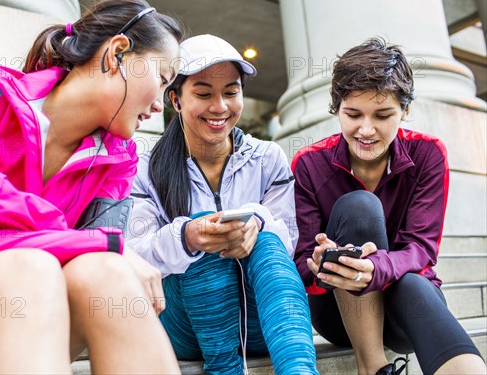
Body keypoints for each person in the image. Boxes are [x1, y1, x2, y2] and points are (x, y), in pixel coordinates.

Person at [0, 0, 183, 374]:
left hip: (27, 321)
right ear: (117, 53)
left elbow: (99, 257)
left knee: (105, 273)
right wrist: (97, 243)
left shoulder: (119, 159)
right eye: (161, 79)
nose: (161, 103)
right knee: (31, 268)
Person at [292, 37, 487, 375]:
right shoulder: (310, 164)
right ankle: (374, 368)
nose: (366, 130)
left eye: (383, 115)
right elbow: (301, 263)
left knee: (412, 282)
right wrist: (322, 264)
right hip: (338, 311)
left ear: (405, 111)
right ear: (337, 108)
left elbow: (422, 249)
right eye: (353, 114)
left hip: (404, 310)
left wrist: (377, 269)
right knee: (359, 207)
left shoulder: (428, 154)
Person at [126, 34, 318, 374]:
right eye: (203, 93)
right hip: (184, 327)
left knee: (267, 238)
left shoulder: (267, 157)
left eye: (231, 92)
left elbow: (286, 243)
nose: (220, 107)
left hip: (260, 320)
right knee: (201, 228)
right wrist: (187, 237)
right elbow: (134, 255)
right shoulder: (144, 168)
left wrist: (256, 224)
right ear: (176, 99)